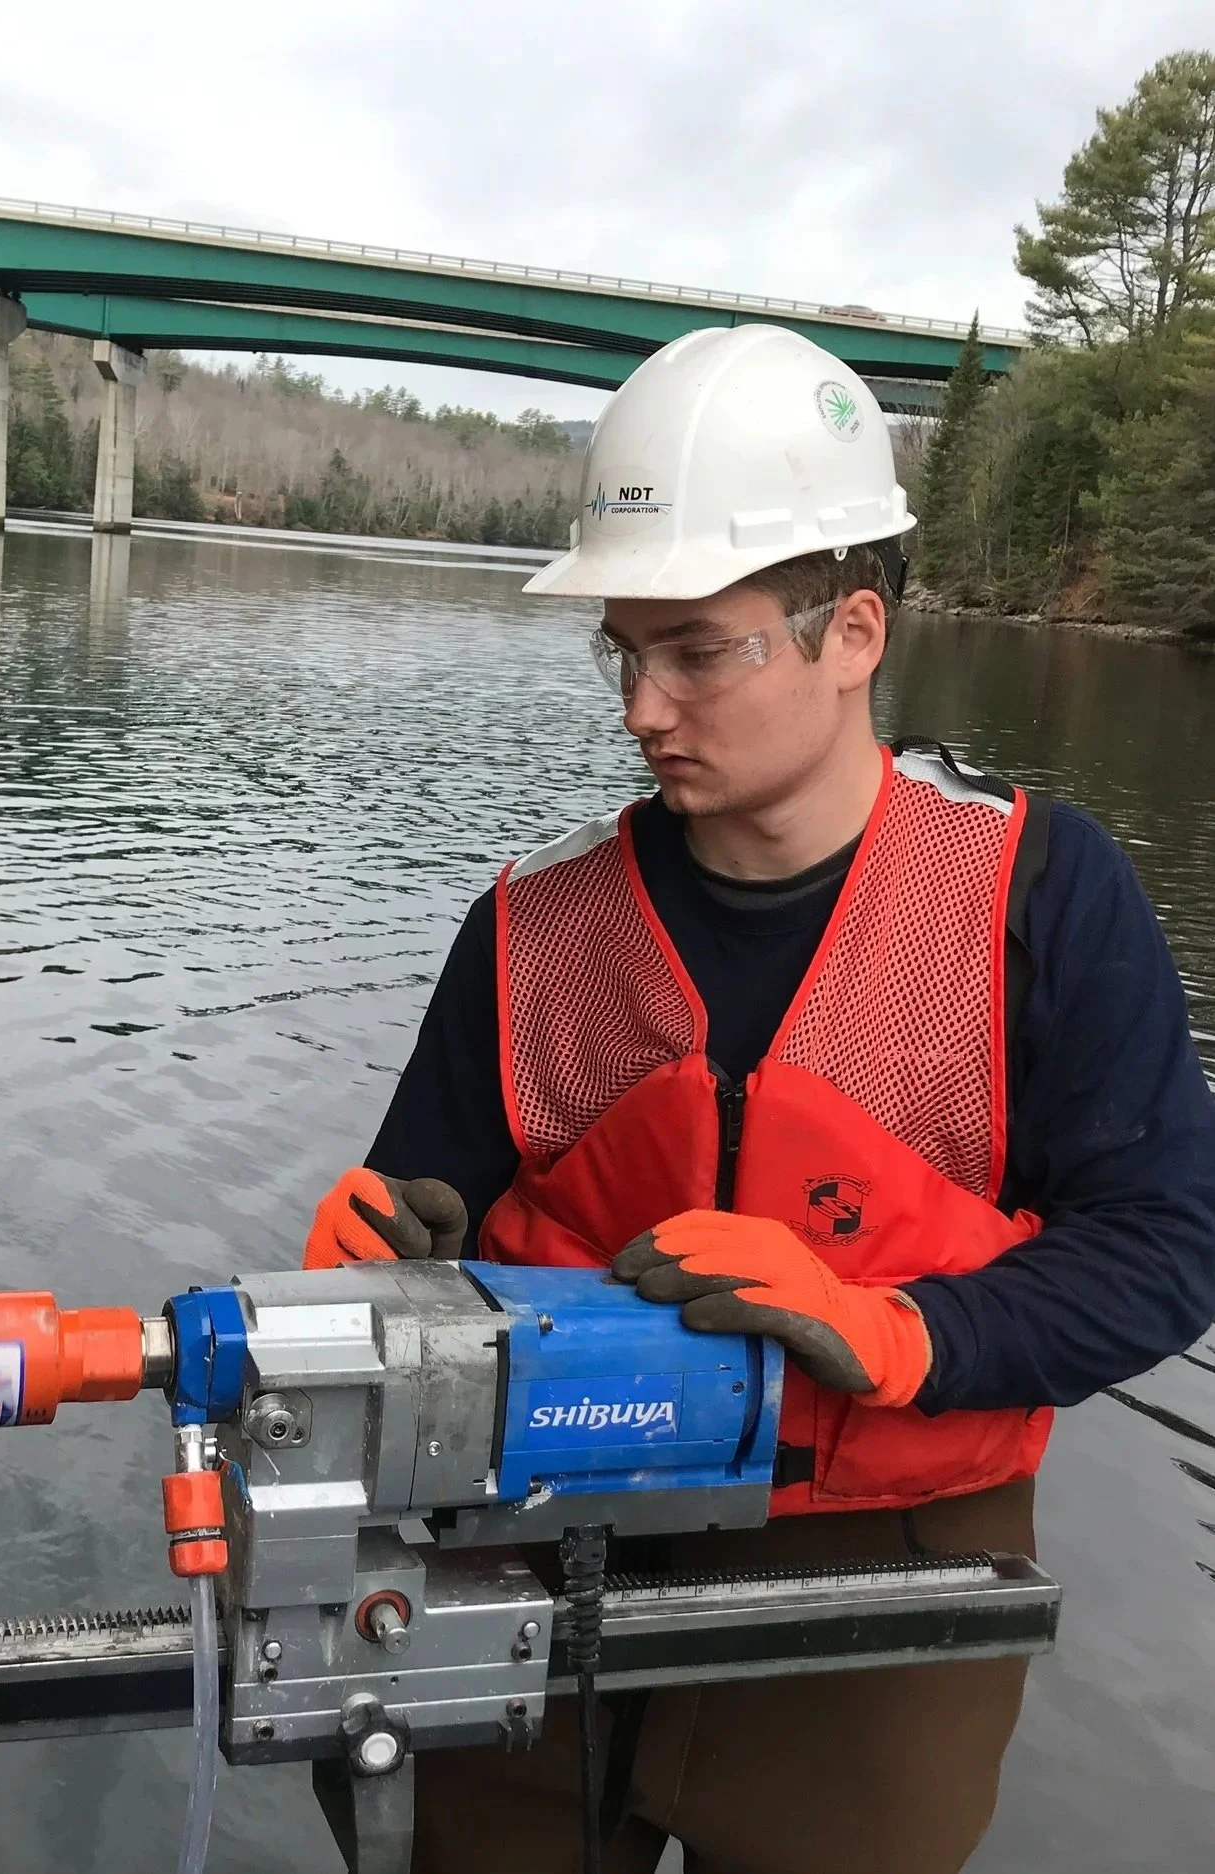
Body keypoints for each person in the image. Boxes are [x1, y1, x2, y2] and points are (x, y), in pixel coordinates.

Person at [301, 325, 1215, 1874]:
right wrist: (375, 1266)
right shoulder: (529, 930)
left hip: (885, 1585)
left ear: (852, 632)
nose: (642, 707)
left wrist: (905, 1330)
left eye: (697, 651)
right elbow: (420, 1216)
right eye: (623, 651)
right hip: (541, 1546)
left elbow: (1165, 1248)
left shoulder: (1042, 902)